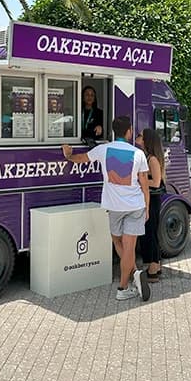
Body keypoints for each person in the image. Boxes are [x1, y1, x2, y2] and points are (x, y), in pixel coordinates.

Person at [62, 116, 151, 302]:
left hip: (114, 207)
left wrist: (68, 155)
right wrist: (147, 207)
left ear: (113, 131)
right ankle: (128, 281)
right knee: (129, 248)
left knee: (118, 242)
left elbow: (81, 159)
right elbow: (144, 184)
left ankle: (125, 284)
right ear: (129, 131)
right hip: (135, 206)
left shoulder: (103, 149)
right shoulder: (138, 153)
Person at [139, 129, 166, 282]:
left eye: (141, 136)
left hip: (153, 199)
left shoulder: (152, 159)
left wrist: (139, 181)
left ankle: (153, 267)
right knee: (149, 232)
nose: (138, 137)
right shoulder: (147, 157)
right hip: (148, 198)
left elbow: (155, 183)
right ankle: (156, 265)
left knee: (150, 232)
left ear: (147, 140)